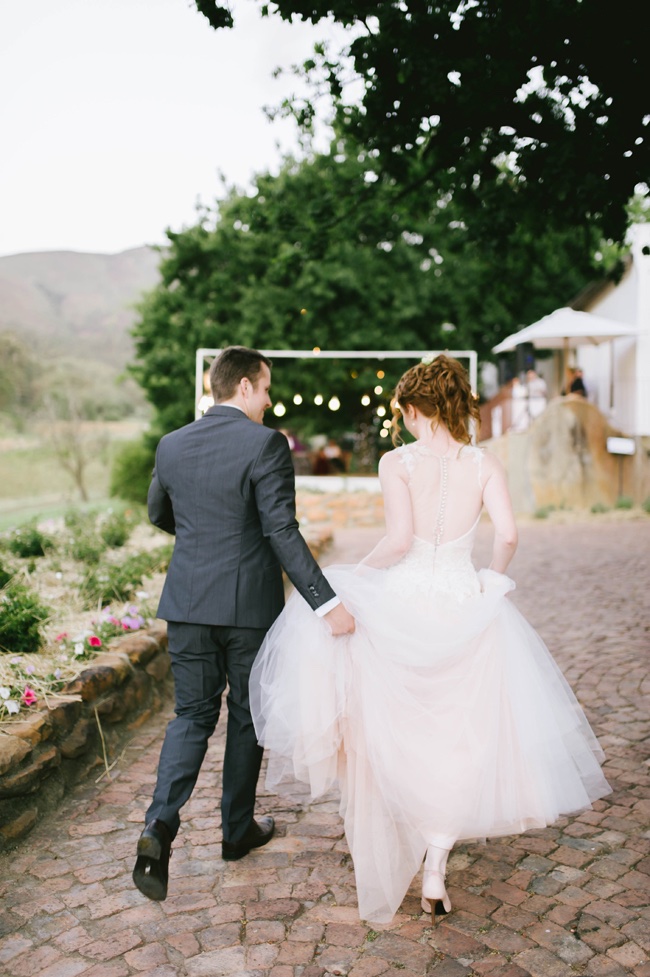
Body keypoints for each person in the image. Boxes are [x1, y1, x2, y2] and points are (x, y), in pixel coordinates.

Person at [250, 354, 611, 924]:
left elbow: (397, 541)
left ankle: (410, 826)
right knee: (459, 731)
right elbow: (510, 535)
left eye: (407, 414)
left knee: (405, 722)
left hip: (409, 602)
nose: (405, 424)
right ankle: (437, 867)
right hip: (465, 602)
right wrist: (490, 580)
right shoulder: (484, 462)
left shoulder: (399, 462)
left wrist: (353, 582)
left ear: (417, 408)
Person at [132, 346, 355, 902]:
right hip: (249, 609)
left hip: (186, 602)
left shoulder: (172, 444)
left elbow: (160, 513)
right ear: (247, 387)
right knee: (247, 715)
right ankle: (236, 833)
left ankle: (159, 825)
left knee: (191, 715)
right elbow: (281, 530)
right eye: (268, 388)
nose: (270, 399)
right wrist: (327, 604)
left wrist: (204, 540)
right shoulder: (266, 444)